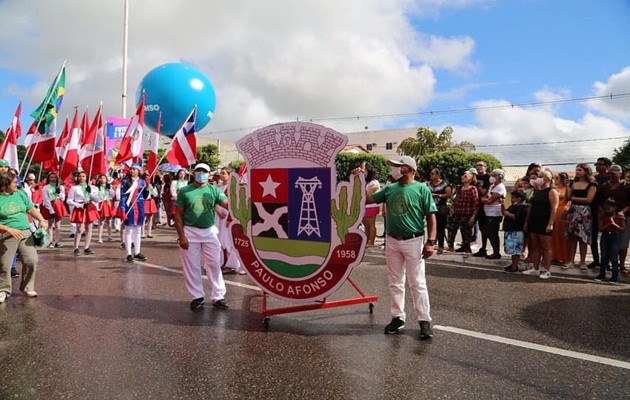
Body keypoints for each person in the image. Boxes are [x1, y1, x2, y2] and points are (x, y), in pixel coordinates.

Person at [358, 155, 437, 340]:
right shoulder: (390, 189)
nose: (394, 170)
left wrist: (431, 242)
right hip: (392, 241)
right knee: (395, 282)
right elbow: (369, 199)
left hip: (414, 241)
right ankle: (397, 317)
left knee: (417, 282)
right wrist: (359, 179)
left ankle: (424, 320)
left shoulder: (421, 189)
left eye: (397, 166)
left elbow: (431, 216)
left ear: (409, 169)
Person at [174, 163, 230, 311]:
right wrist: (181, 236)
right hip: (190, 232)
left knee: (214, 264)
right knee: (191, 266)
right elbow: (178, 214)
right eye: (199, 171)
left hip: (209, 232)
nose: (201, 173)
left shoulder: (214, 190)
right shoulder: (185, 191)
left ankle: (218, 296)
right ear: (193, 173)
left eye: (204, 171)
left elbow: (227, 204)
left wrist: (242, 199)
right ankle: (197, 296)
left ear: (209, 174)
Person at [0, 170, 48, 302]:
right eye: (14, 182)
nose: (18, 184)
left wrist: (42, 220)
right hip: (6, 235)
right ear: (5, 184)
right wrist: (7, 229)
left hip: (25, 232)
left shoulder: (20, 194)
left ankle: (27, 287)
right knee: (5, 265)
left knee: (31, 260)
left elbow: (30, 209)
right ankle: (3, 290)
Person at [522, 171, 559, 279]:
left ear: (547, 179)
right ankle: (535, 268)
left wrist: (550, 223)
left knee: (546, 247)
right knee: (535, 246)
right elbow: (531, 207)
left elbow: (554, 208)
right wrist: (527, 222)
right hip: (534, 221)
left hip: (545, 222)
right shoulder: (537, 191)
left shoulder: (552, 191)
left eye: (540, 177)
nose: (537, 178)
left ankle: (547, 270)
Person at [564, 163, 597, 270]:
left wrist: (574, 198)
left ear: (586, 171)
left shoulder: (592, 184)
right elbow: (568, 197)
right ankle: (571, 261)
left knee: (583, 238)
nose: (577, 172)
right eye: (576, 170)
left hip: (584, 212)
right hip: (573, 211)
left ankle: (582, 262)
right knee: (572, 237)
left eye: (579, 170)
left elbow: (588, 199)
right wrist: (567, 188)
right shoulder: (573, 183)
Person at [119, 164, 149, 263]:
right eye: (131, 169)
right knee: (129, 230)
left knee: (138, 230)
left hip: (140, 207)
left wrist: (147, 188)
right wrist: (123, 210)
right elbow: (123, 196)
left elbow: (144, 196)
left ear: (138, 171)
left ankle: (137, 252)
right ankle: (128, 253)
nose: (132, 171)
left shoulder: (142, 182)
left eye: (134, 169)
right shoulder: (125, 182)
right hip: (130, 206)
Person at [66, 171, 100, 256]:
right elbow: (69, 200)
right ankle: (76, 247)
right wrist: (78, 205)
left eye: (83, 176)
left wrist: (90, 193)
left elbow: (97, 199)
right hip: (80, 208)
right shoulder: (74, 188)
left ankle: (86, 247)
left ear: (86, 178)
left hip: (89, 207)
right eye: (80, 176)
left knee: (89, 229)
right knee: (79, 229)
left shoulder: (92, 188)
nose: (81, 178)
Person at [446, 170, 478, 254]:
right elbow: (456, 200)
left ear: (470, 179)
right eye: (463, 176)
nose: (463, 177)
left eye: (465, 176)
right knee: (452, 229)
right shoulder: (460, 188)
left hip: (466, 213)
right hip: (457, 212)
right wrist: (453, 207)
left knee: (465, 232)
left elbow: (476, 203)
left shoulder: (473, 189)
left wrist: (473, 216)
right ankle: (451, 246)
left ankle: (467, 248)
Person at [594, 198, 625, 284]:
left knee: (614, 257)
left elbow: (622, 229)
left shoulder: (619, 217)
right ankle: (602, 274)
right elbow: (600, 228)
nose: (607, 210)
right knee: (603, 256)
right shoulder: (603, 217)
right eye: (605, 208)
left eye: (609, 208)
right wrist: (608, 224)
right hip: (605, 236)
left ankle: (615, 277)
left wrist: (614, 224)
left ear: (614, 208)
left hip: (615, 236)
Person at [478, 169, 507, 259]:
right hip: (488, 213)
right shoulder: (492, 186)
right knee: (488, 232)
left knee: (492, 233)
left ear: (500, 177)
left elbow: (489, 200)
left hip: (495, 214)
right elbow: (485, 197)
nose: (492, 177)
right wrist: (484, 199)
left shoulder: (500, 187)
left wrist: (483, 200)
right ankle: (494, 251)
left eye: (494, 175)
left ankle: (496, 252)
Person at [500, 190, 527, 273]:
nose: (511, 199)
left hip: (516, 231)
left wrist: (508, 214)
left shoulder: (521, 207)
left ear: (518, 199)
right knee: (512, 249)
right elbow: (504, 212)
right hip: (510, 230)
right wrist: (502, 205)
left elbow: (517, 218)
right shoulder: (513, 206)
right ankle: (513, 264)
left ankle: (514, 266)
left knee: (516, 250)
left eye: (513, 198)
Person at [427, 168, 451, 254]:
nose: (431, 175)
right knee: (430, 226)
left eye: (432, 173)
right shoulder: (428, 184)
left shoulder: (445, 184)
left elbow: (448, 194)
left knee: (440, 227)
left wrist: (437, 195)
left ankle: (441, 246)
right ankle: (431, 243)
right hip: (431, 208)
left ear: (438, 175)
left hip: (441, 208)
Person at [41, 172, 67, 248]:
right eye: (51, 177)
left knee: (58, 225)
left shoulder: (60, 187)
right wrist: (50, 209)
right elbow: (45, 199)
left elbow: (63, 198)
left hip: (58, 205)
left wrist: (59, 193)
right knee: (50, 225)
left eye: (54, 177)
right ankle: (50, 241)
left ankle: (57, 241)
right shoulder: (46, 187)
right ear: (48, 178)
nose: (53, 179)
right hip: (50, 205)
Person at [551, 172, 570, 264]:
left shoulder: (566, 189)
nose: (556, 179)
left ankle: (564, 257)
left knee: (562, 235)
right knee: (553, 235)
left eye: (557, 178)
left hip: (563, 211)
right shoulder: (553, 189)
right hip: (553, 211)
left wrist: (567, 186)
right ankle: (554, 256)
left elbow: (569, 198)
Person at [362, 165, 381, 247]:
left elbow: (368, 195)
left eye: (366, 171)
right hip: (365, 206)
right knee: (366, 225)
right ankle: (366, 240)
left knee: (371, 225)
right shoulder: (366, 182)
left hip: (371, 206)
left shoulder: (374, 183)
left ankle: (371, 242)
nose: (364, 173)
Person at [95, 174, 115, 243]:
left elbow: (113, 195)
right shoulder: (97, 188)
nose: (103, 179)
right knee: (101, 222)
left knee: (109, 221)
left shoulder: (109, 186)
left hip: (108, 203)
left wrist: (109, 189)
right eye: (101, 178)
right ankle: (99, 237)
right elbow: (96, 196)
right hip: (102, 204)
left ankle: (110, 236)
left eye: (104, 178)